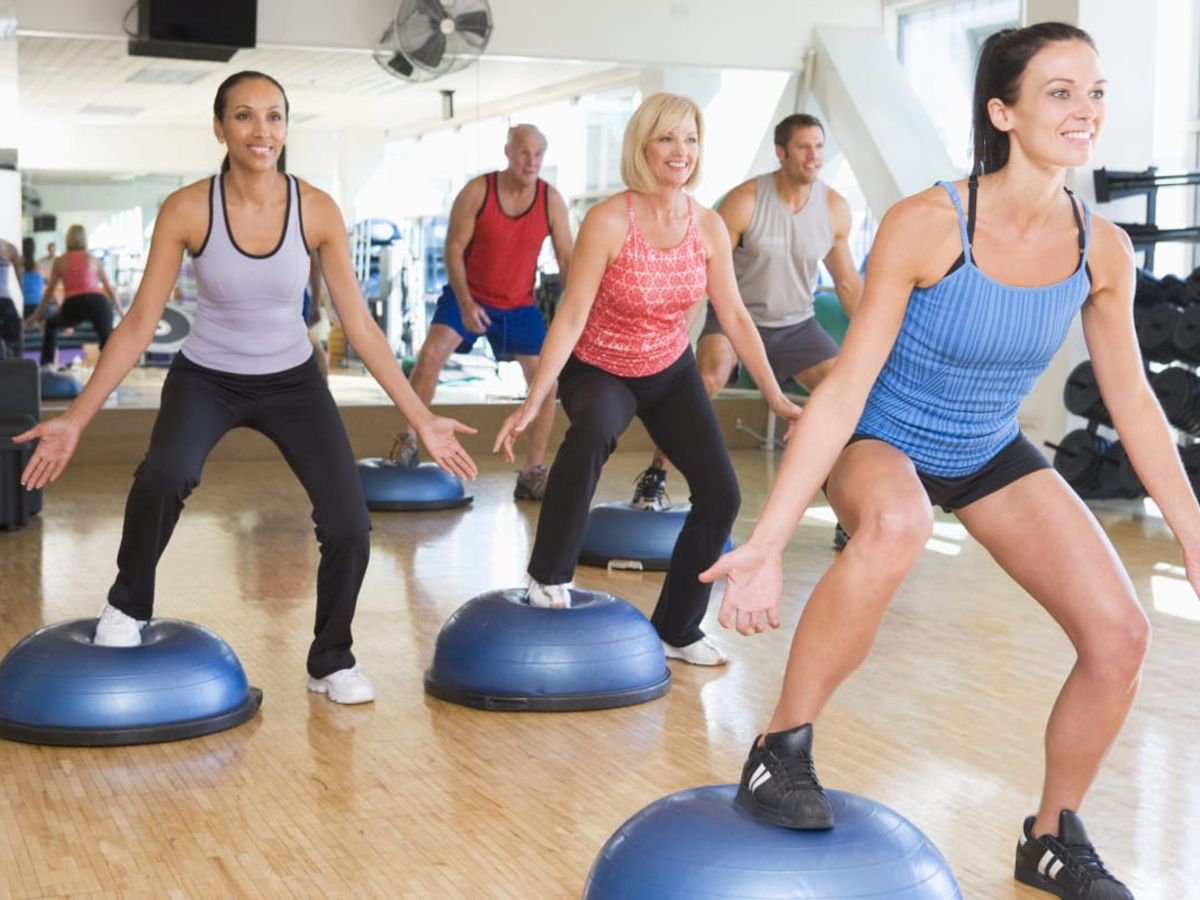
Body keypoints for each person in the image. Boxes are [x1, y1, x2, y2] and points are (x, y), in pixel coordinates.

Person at [700, 24, 1194, 899]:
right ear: (1003, 112)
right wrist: (770, 540)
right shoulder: (929, 223)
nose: (1086, 111)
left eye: (1096, 92)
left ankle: (1050, 837)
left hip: (987, 447)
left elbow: (1136, 404)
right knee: (898, 523)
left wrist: (1192, 535)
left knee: (1121, 635)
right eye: (1060, 93)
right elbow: (847, 387)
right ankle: (780, 749)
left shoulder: (1101, 250)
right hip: (881, 435)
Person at [14, 71, 478, 705]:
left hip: (293, 380)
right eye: (245, 117)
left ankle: (331, 659)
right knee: (164, 475)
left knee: (348, 522)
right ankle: (127, 606)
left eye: (275, 117)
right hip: (207, 376)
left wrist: (420, 417)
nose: (263, 131)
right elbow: (138, 323)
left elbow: (360, 325)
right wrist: (76, 418)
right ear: (220, 127)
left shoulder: (315, 209)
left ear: (287, 127)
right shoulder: (186, 208)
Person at [495, 93, 802, 666]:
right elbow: (572, 313)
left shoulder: (707, 226)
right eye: (667, 139)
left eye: (689, 139)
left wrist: (774, 393)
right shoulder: (610, 220)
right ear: (642, 145)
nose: (679, 151)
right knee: (591, 436)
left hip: (668, 367)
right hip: (600, 366)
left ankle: (677, 627)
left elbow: (734, 315)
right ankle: (547, 576)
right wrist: (537, 397)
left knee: (722, 492)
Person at [630, 114, 862, 519]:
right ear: (781, 152)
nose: (814, 157)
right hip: (735, 318)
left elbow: (846, 284)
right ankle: (655, 473)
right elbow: (701, 271)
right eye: (803, 147)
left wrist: (875, 343)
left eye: (819, 147)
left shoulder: (834, 209)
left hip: (797, 325)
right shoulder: (746, 201)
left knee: (843, 397)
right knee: (707, 379)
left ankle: (846, 506)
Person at [392, 124, 573, 501]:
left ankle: (532, 471)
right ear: (508, 152)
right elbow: (453, 249)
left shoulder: (550, 200)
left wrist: (576, 312)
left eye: (538, 154)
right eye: (524, 152)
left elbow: (569, 260)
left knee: (547, 384)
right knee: (430, 356)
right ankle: (408, 441)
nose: (531, 161)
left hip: (519, 304)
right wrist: (464, 302)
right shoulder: (479, 191)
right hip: (468, 295)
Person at [24, 224, 122, 370]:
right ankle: (111, 372)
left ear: (67, 239)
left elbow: (49, 293)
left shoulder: (60, 261)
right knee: (106, 340)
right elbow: (110, 290)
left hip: (74, 304)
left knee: (51, 324)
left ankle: (47, 366)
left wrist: (34, 318)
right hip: (98, 302)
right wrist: (122, 313)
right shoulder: (93, 259)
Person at [0, 238, 23, 358]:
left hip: (4, 302)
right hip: (4, 302)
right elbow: (20, 279)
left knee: (15, 337)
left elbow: (20, 278)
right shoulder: (8, 248)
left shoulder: (8, 248)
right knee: (15, 339)